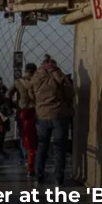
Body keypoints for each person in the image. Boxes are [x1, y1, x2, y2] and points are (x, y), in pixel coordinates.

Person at [28, 55, 74, 187]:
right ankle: (58, 179)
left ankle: (38, 176)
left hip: (42, 116)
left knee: (42, 146)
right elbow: (70, 93)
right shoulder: (59, 75)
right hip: (59, 115)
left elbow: (31, 95)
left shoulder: (35, 77)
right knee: (59, 148)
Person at [8, 63, 38, 176]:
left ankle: (24, 158)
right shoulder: (37, 81)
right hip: (36, 111)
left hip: (22, 111)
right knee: (34, 137)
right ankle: (32, 160)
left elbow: (8, 94)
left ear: (25, 70)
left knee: (22, 135)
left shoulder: (18, 82)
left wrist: (14, 105)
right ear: (34, 71)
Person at [0, 85, 13, 158]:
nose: (1, 91)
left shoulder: (6, 98)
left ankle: (0, 150)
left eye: (3, 90)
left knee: (2, 135)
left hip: (4, 118)